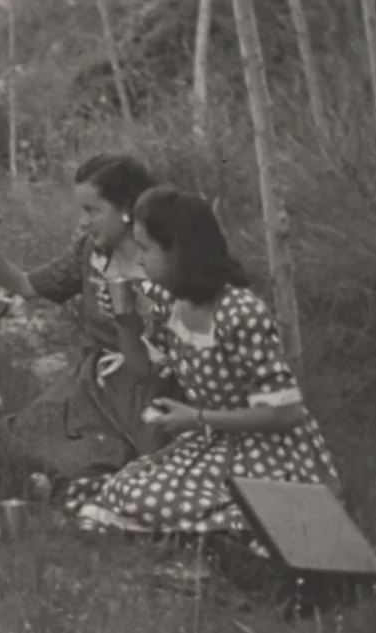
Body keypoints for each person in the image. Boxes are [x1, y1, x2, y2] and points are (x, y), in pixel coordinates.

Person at [71, 185, 341, 539]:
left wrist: (196, 418)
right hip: (217, 442)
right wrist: (126, 324)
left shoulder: (239, 313)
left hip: (270, 451)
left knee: (153, 500)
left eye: (146, 249)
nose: (139, 260)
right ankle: (201, 526)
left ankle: (249, 526)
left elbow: (285, 412)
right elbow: (142, 371)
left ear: (181, 251)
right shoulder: (170, 302)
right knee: (123, 487)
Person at [0, 153, 171, 486]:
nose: (84, 222)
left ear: (128, 208)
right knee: (11, 442)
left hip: (147, 390)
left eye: (93, 211)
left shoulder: (167, 262)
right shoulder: (92, 252)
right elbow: (25, 285)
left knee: (96, 461)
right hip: (94, 383)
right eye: (82, 211)